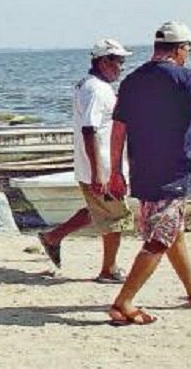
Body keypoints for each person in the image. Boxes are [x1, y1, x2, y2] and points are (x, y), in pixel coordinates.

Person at [107, 21, 191, 325]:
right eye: (188, 49)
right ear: (179, 49)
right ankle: (124, 303)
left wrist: (116, 171)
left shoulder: (132, 81)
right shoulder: (187, 80)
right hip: (171, 173)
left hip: (142, 171)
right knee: (160, 239)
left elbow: (119, 129)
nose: (189, 54)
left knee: (174, 233)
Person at [37, 39, 134, 281]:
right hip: (101, 166)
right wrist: (99, 172)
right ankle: (109, 270)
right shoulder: (96, 90)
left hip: (96, 165)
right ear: (103, 61)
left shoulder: (90, 85)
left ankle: (53, 237)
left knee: (99, 210)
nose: (121, 67)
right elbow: (89, 129)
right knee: (115, 216)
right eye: (118, 61)